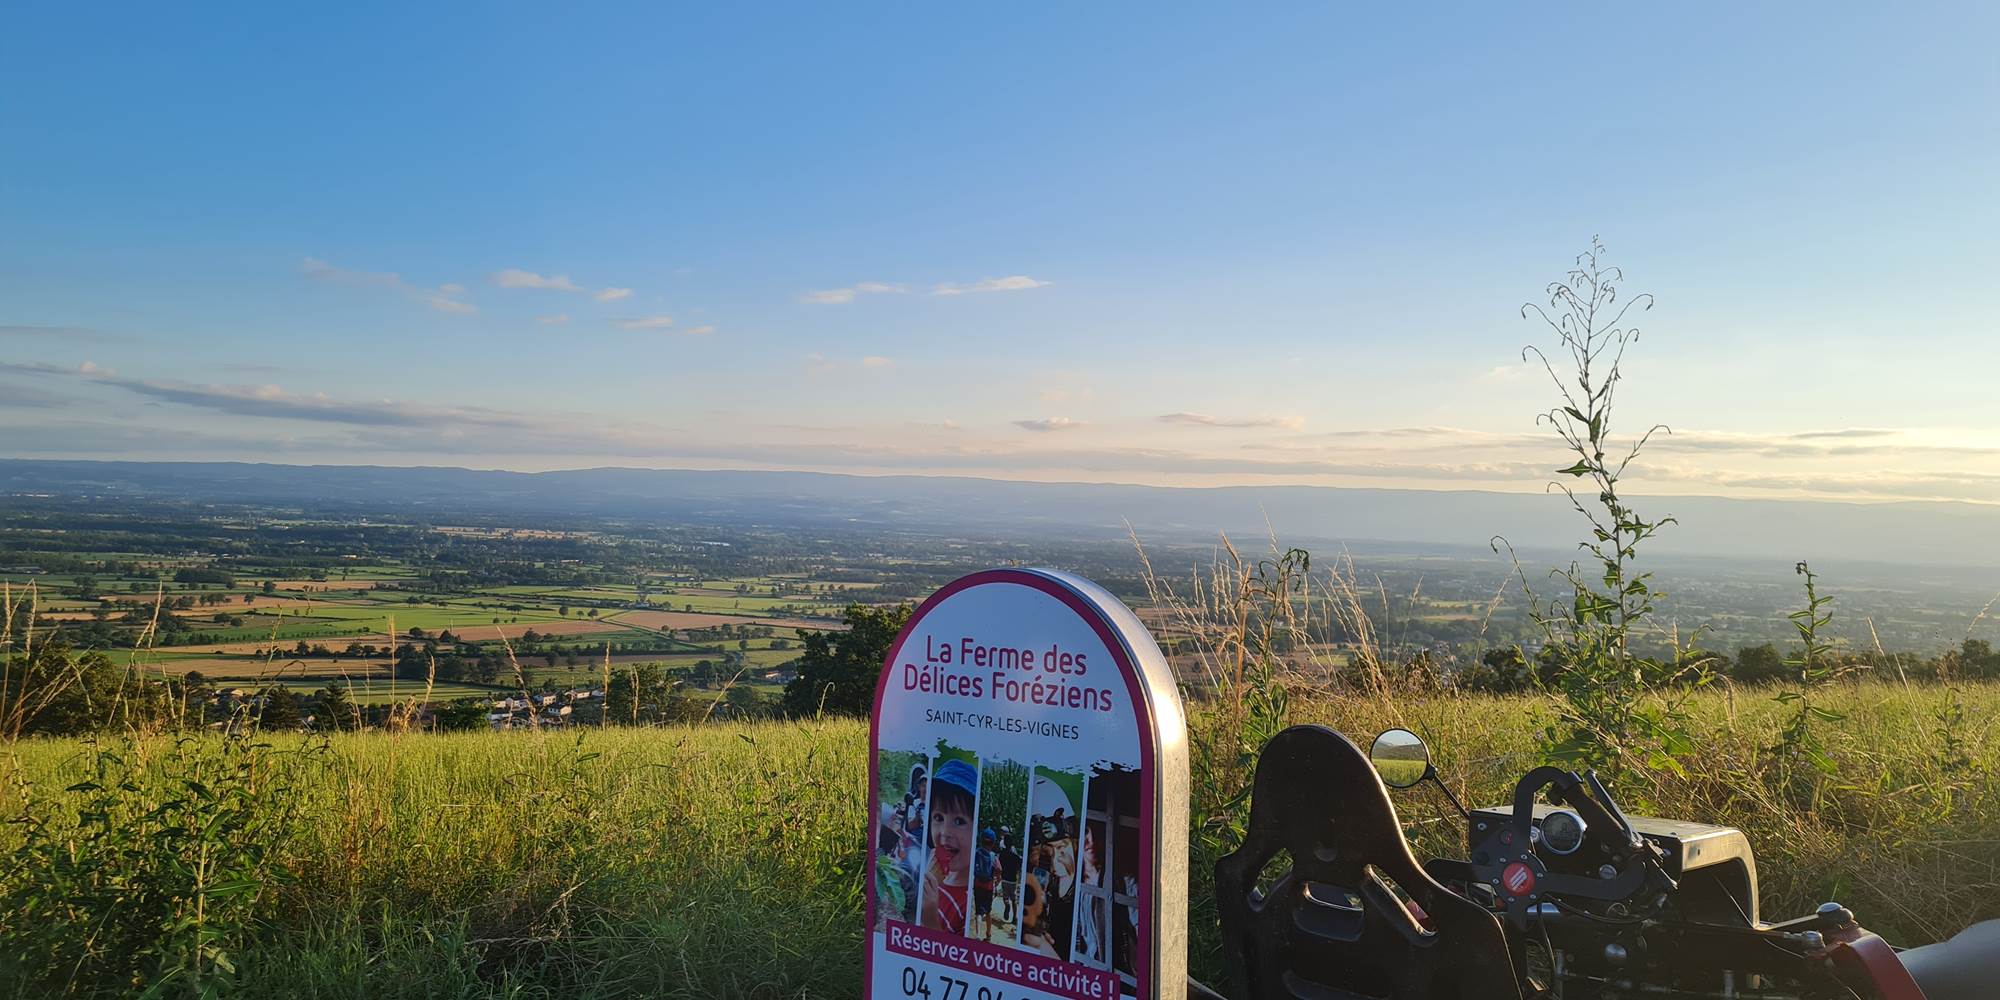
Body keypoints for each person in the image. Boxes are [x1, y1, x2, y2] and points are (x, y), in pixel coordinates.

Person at [919, 759, 978, 935]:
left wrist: (930, 922)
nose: (945, 832)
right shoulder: (930, 863)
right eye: (938, 817)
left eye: (959, 821)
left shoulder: (969, 906)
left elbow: (954, 952)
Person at [972, 828, 998, 939]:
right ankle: (988, 934)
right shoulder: (993, 856)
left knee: (978, 911)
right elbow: (999, 869)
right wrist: (997, 882)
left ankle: (978, 934)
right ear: (993, 843)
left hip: (978, 885)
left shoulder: (976, 852)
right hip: (989, 887)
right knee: (988, 911)